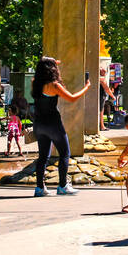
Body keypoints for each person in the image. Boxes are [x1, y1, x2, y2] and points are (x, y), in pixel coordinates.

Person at [31, 56, 90, 197]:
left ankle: (40, 188)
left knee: (43, 157)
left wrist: (52, 62)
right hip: (53, 124)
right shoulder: (54, 85)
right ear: (52, 69)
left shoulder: (35, 83)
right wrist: (87, 87)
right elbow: (72, 98)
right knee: (64, 153)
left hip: (39, 124)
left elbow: (44, 65)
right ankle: (62, 186)